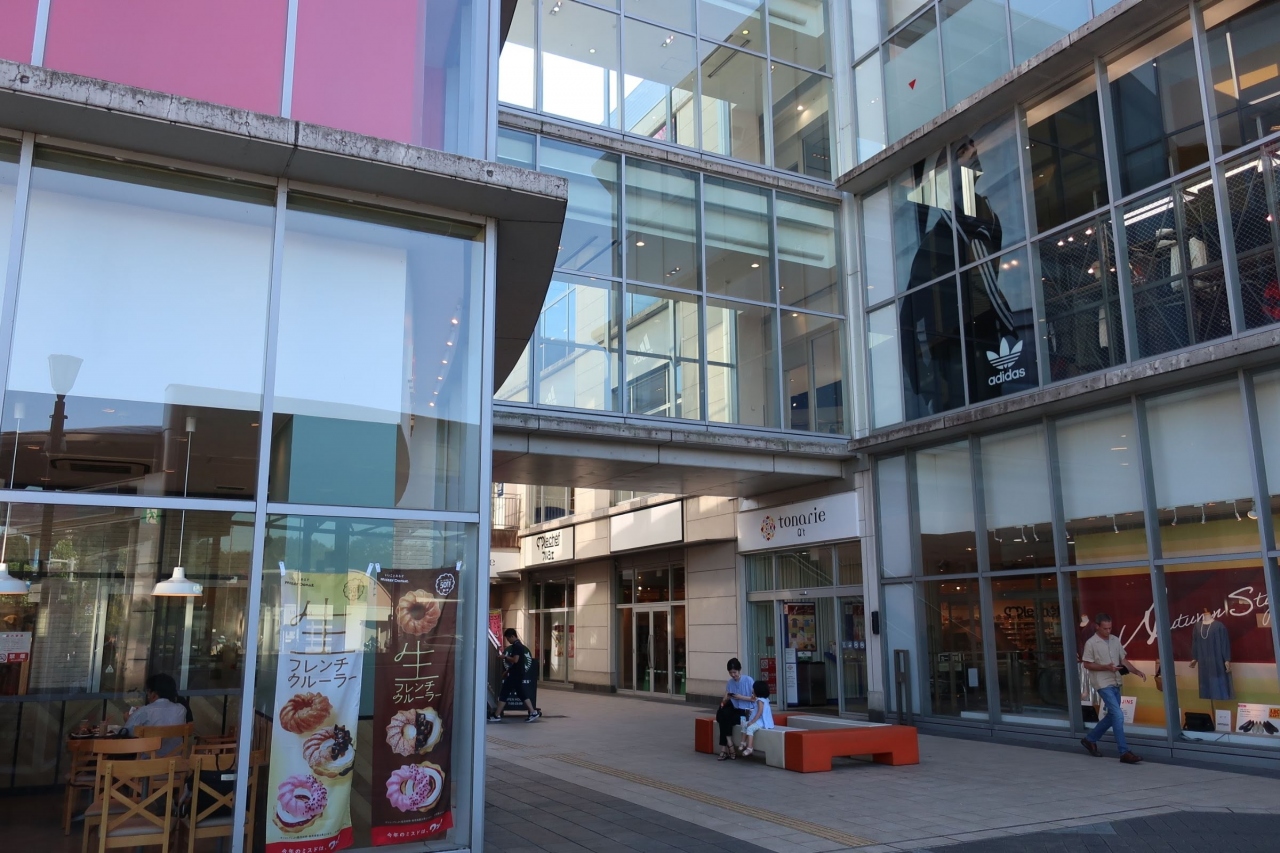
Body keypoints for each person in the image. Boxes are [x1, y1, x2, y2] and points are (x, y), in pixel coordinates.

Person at [1080, 613, 1147, 764]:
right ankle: (1124, 752)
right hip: (1102, 683)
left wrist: (1135, 671)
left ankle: (1090, 739)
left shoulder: (1115, 640)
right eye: (1105, 628)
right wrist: (1105, 667)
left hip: (1115, 681)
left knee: (1112, 715)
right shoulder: (1091, 643)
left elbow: (1123, 659)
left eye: (1110, 628)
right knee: (1118, 715)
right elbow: (1087, 664)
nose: (1108, 631)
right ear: (1097, 627)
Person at [122, 673, 192, 756]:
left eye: (148, 693)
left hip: (147, 762)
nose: (147, 696)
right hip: (174, 761)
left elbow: (125, 734)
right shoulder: (181, 710)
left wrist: (128, 720)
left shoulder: (144, 711)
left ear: (154, 694)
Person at [492, 628, 540, 723]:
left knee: (504, 693)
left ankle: (496, 715)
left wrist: (505, 657)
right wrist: (508, 670)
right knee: (521, 693)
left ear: (512, 636)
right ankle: (533, 712)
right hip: (517, 673)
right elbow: (517, 662)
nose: (508, 641)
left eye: (508, 638)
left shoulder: (517, 646)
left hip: (515, 675)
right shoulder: (518, 645)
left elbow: (515, 660)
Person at [714, 658, 754, 761]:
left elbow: (755, 699)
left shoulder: (748, 680)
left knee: (723, 718)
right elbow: (725, 700)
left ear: (739, 670)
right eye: (730, 673)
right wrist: (726, 699)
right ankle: (729, 743)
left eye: (734, 672)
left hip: (746, 711)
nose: (733, 675)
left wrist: (741, 697)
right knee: (722, 713)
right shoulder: (730, 682)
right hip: (735, 708)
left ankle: (725, 748)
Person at [738, 681, 774, 757]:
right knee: (745, 724)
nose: (752, 690)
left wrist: (752, 721)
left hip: (761, 721)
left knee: (750, 728)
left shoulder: (760, 701)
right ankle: (743, 742)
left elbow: (760, 712)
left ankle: (750, 747)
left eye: (753, 689)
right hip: (760, 720)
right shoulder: (764, 699)